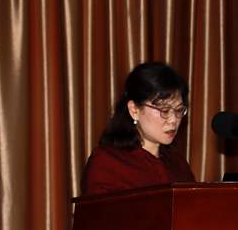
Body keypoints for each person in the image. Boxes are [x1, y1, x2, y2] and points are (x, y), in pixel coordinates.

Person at [82, 61, 195, 196]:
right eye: (164, 110)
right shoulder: (107, 163)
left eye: (178, 110)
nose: (173, 120)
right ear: (134, 110)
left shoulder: (179, 164)